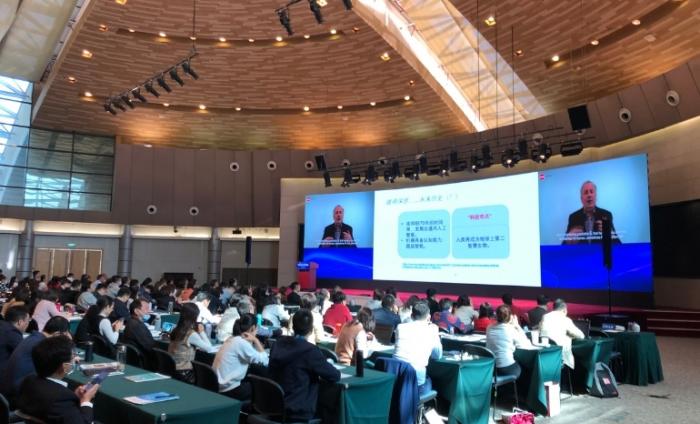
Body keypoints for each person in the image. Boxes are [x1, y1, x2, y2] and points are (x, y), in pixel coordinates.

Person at [269, 309, 341, 421]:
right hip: (298, 410)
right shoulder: (310, 351)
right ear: (311, 330)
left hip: (273, 405)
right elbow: (335, 376)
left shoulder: (277, 344)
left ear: (293, 327)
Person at [17, 335, 98, 424]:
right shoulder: (62, 399)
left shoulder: (28, 381)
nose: (75, 360)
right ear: (65, 367)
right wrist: (86, 401)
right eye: (72, 358)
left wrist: (75, 397)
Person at [0, 316, 71, 405]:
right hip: (18, 395)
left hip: (9, 390)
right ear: (56, 334)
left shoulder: (33, 338)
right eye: (65, 335)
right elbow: (53, 368)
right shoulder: (41, 344)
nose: (68, 336)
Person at [213, 313, 269, 400]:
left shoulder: (231, 339)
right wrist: (256, 340)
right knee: (264, 386)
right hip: (229, 390)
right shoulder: (241, 343)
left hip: (217, 385)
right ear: (253, 328)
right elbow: (265, 361)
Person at [394, 301, 442, 396]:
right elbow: (437, 355)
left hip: (396, 380)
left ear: (411, 316)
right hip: (416, 385)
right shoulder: (432, 329)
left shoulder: (400, 327)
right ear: (429, 316)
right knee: (433, 381)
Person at [168, 302, 215, 382]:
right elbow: (209, 348)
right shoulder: (191, 334)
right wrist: (202, 332)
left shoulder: (176, 329)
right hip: (184, 372)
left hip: (172, 369)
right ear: (194, 317)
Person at [486, 305, 534, 379]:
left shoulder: (489, 327)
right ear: (510, 317)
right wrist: (517, 325)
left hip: (492, 368)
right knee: (528, 369)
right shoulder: (511, 329)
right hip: (506, 368)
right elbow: (526, 344)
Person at [539, 299, 585, 369]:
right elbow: (581, 336)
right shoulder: (566, 319)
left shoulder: (545, 317)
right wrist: (570, 335)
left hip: (546, 356)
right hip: (561, 358)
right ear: (564, 310)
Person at [122, 298, 157, 370]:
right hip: (144, 362)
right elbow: (150, 346)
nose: (149, 311)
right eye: (146, 308)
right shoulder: (137, 326)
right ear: (136, 311)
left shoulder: (130, 322)